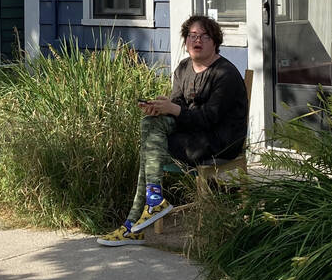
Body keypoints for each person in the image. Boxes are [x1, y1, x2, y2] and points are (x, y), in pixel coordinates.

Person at [97, 14, 249, 245]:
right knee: (150, 124)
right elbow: (179, 106)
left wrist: (173, 110)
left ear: (215, 41)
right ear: (186, 40)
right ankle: (151, 202)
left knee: (150, 148)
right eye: (192, 36)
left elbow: (208, 118)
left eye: (204, 36)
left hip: (219, 142)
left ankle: (135, 221)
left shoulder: (224, 74)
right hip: (191, 136)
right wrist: (161, 108)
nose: (197, 40)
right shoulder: (184, 67)